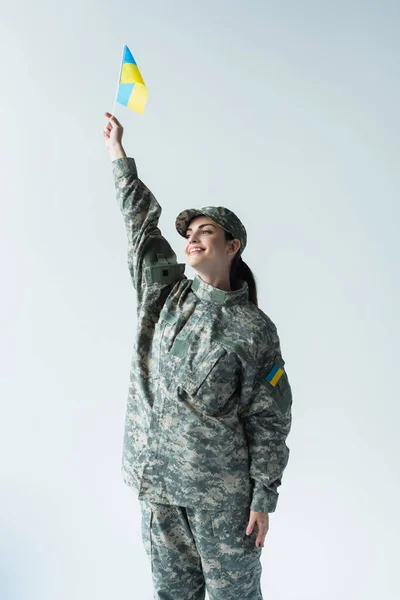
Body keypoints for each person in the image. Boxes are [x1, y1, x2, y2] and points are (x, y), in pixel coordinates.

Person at [103, 112, 293, 600]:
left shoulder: (254, 329)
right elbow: (141, 228)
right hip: (159, 489)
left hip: (223, 501)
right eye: (189, 231)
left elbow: (269, 418)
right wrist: (119, 157)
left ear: (231, 246)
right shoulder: (164, 296)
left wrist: (262, 496)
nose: (191, 236)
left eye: (205, 231)